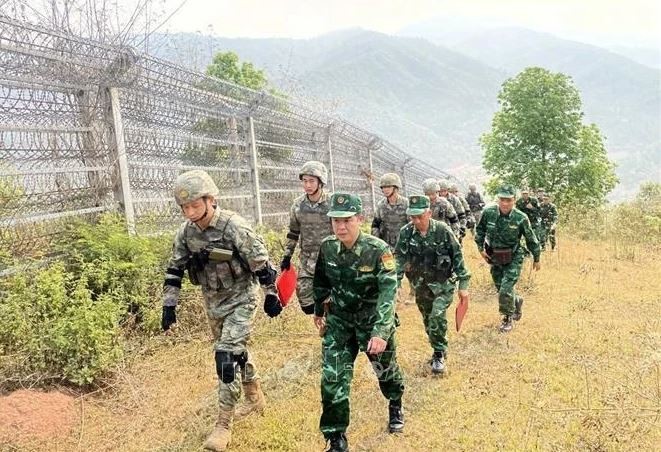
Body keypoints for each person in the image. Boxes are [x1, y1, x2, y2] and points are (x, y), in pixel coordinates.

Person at [161, 170, 282, 451]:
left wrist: (271, 294)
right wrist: (169, 307)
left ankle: (223, 425)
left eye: (194, 205)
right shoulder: (186, 233)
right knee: (237, 353)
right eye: (184, 208)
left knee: (226, 357)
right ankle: (254, 398)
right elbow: (175, 270)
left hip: (242, 299)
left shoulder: (232, 226)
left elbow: (261, 263)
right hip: (213, 304)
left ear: (210, 199)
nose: (190, 212)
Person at [314, 193, 405, 452]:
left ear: (360, 219)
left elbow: (388, 293)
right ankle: (336, 437)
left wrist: (381, 331)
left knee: (386, 372)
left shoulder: (378, 251)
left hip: (372, 323)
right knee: (332, 378)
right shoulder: (328, 247)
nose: (341, 227)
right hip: (340, 323)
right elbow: (321, 281)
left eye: (347, 220)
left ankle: (395, 402)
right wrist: (319, 311)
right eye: (335, 221)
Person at [394, 195, 470, 375]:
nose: (416, 220)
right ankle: (439, 347)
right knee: (428, 321)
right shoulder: (406, 232)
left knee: (437, 316)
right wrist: (395, 282)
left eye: (420, 216)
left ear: (429, 213)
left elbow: (457, 256)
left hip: (443, 284)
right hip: (420, 285)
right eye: (412, 217)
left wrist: (463, 285)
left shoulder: (442, 230)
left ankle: (438, 354)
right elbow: (399, 258)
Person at [474, 185, 541, 333]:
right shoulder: (488, 213)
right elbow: (479, 230)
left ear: (514, 201)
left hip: (514, 256)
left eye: (509, 200)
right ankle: (516, 300)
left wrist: (537, 258)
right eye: (502, 200)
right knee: (500, 287)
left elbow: (531, 239)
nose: (505, 203)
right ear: (498, 200)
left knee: (505, 289)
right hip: (494, 256)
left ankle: (507, 318)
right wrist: (480, 249)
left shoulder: (520, 218)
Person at [281, 161, 333, 314]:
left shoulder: (331, 204)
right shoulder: (297, 205)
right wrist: (287, 256)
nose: (308, 185)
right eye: (305, 181)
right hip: (308, 260)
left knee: (334, 299)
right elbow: (293, 232)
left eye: (311, 181)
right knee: (306, 303)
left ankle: (332, 327)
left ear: (320, 182)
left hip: (330, 258)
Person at [371, 172, 410, 303]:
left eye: (388, 186)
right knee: (390, 269)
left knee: (410, 270)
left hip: (404, 244)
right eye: (383, 187)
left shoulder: (406, 204)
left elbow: (412, 224)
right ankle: (395, 293)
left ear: (396, 187)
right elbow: (375, 224)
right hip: (386, 244)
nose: (385, 190)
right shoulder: (381, 205)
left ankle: (413, 292)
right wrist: (376, 242)